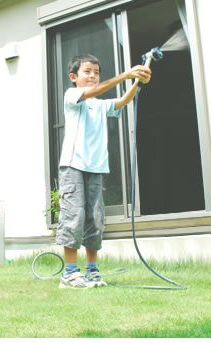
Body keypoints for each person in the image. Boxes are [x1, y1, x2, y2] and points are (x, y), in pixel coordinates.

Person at [56, 54, 151, 288]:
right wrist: (126, 74)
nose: (93, 76)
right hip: (73, 166)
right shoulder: (72, 96)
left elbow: (121, 102)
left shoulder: (99, 105)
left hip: (96, 168)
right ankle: (69, 273)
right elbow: (91, 92)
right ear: (73, 77)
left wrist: (137, 81)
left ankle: (91, 271)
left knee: (95, 219)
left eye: (96, 72)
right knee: (73, 216)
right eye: (87, 71)